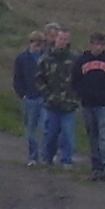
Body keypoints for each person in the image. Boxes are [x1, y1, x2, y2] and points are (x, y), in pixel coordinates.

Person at [74, 31, 105, 181]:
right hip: (88, 104)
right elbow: (75, 81)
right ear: (91, 44)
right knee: (92, 136)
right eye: (95, 44)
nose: (98, 47)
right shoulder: (82, 60)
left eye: (101, 44)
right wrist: (84, 94)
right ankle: (97, 168)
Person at [36, 24, 79, 170]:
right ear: (56, 39)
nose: (62, 41)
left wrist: (76, 96)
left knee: (67, 133)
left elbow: (80, 79)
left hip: (69, 104)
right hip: (52, 104)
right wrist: (47, 94)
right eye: (60, 38)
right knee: (51, 134)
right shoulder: (46, 58)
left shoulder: (75, 59)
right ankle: (48, 158)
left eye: (65, 39)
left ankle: (67, 159)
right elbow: (39, 79)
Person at [12, 29, 47, 166]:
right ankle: (33, 157)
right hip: (30, 98)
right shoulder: (22, 59)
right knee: (31, 129)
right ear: (30, 43)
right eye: (36, 44)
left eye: (41, 44)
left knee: (44, 127)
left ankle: (45, 156)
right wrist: (23, 94)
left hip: (44, 97)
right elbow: (17, 79)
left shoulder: (46, 57)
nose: (38, 47)